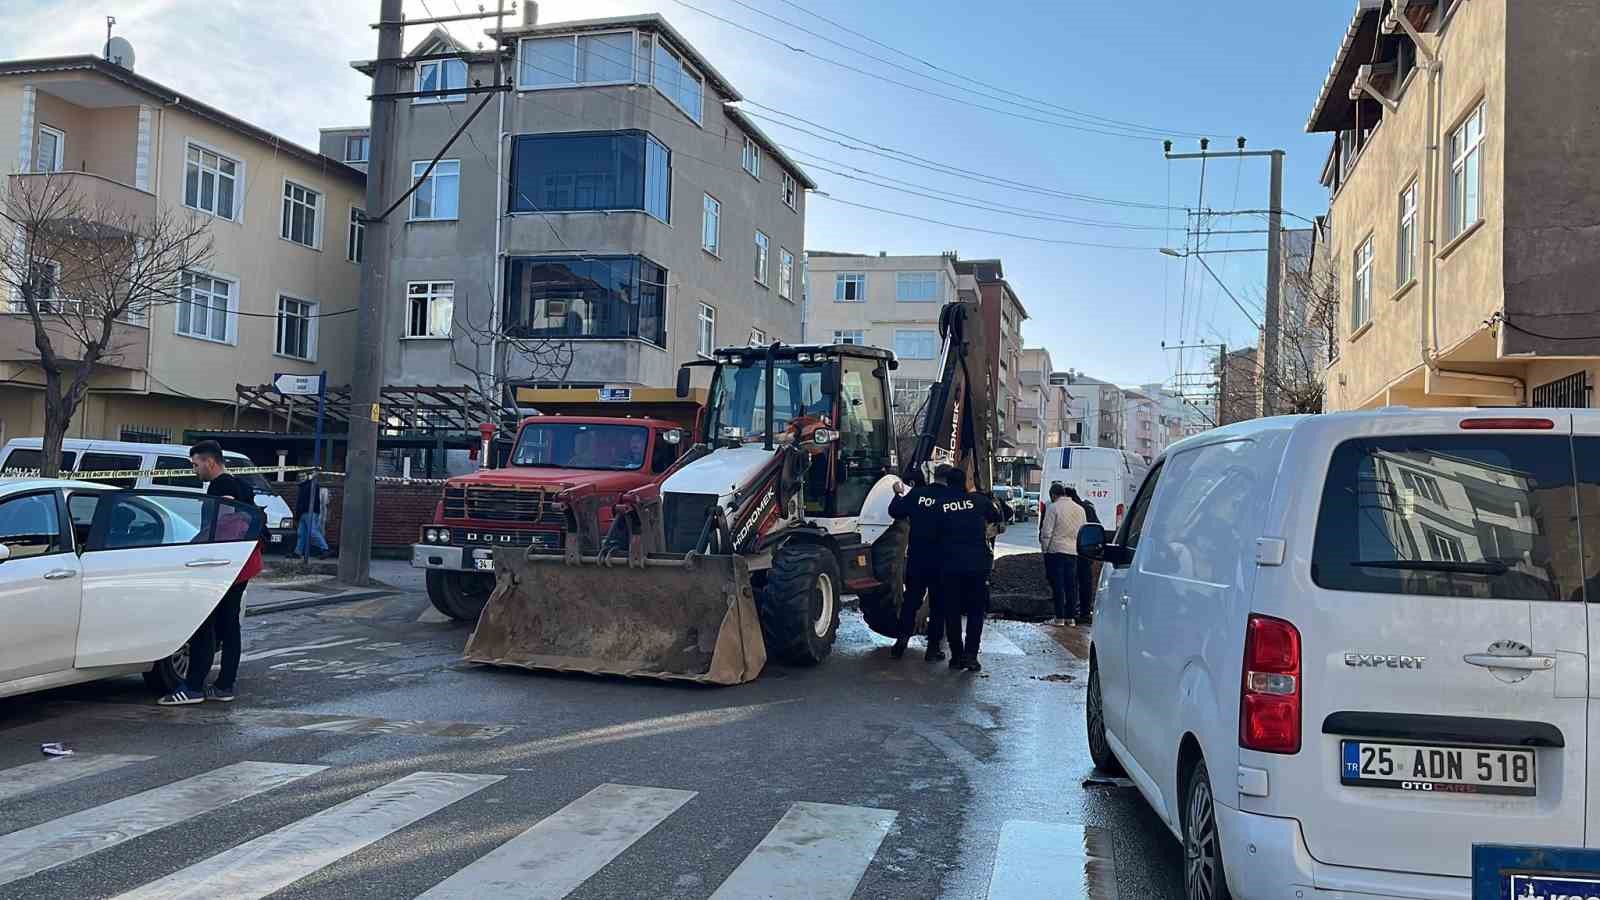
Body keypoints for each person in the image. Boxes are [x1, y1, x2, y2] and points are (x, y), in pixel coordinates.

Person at [159, 441, 262, 706]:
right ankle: (225, 685)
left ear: (210, 462)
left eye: (196, 465)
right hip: (242, 563)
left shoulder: (221, 487)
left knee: (205, 623)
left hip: (224, 564)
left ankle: (193, 687)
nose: (194, 470)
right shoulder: (241, 485)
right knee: (229, 625)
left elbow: (225, 524)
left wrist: (196, 548)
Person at [932, 464, 1003, 672]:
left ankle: (956, 656)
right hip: (977, 566)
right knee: (975, 612)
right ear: (964, 483)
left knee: (951, 612)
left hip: (949, 566)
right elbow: (997, 516)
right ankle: (971, 656)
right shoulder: (979, 501)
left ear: (946, 483)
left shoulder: (940, 504)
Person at [887, 468, 949, 661]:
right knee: (938, 605)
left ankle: (901, 642)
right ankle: (932, 649)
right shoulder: (951, 498)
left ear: (935, 476)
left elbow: (895, 511)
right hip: (941, 560)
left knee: (910, 601)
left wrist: (898, 493)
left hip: (917, 558)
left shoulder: (918, 494)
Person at [1040, 483, 1088, 626]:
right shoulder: (1080, 510)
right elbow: (1082, 531)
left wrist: (1045, 550)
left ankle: (1059, 617)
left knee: (1058, 585)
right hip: (1073, 552)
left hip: (1056, 551)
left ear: (1053, 495)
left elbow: (1046, 533)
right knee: (1071, 585)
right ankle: (1070, 618)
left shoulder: (1053, 508)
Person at [1071, 488, 1100, 622]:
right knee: (1085, 582)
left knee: (1072, 581)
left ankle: (1072, 610)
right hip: (1086, 551)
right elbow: (1096, 526)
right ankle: (1085, 610)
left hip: (1073, 551)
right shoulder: (1087, 507)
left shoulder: (1074, 509)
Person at [294, 472, 329, 559]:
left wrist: (310, 478)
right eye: (300, 476)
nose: (301, 478)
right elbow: (300, 502)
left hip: (311, 512)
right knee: (301, 533)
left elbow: (311, 489)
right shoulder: (302, 486)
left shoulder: (312, 485)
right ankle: (298, 552)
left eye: (303, 476)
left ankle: (325, 549)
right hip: (303, 513)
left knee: (313, 532)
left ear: (308, 477)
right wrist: (297, 515)